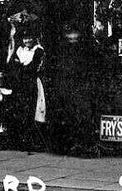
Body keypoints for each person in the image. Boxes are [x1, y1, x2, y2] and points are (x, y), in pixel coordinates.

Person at [47, 22, 99, 155]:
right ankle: (74, 145)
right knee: (71, 116)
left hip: (76, 89)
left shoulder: (77, 50)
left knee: (76, 116)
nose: (72, 38)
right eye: (70, 36)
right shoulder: (68, 50)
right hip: (70, 89)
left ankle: (77, 145)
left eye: (74, 35)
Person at [6, 26, 47, 150]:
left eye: (29, 38)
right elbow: (14, 65)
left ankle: (32, 140)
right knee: (21, 109)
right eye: (25, 38)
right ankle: (21, 139)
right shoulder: (20, 50)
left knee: (32, 109)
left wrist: (22, 67)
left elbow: (33, 67)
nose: (27, 41)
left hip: (32, 83)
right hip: (21, 84)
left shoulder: (38, 50)